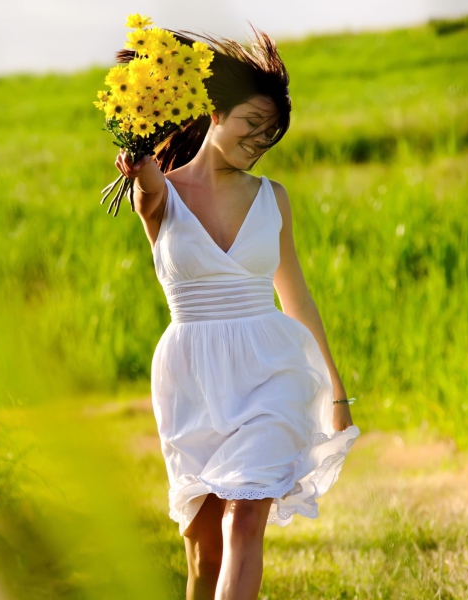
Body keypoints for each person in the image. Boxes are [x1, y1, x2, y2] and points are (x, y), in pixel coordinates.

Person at [113, 26, 361, 600]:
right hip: (191, 378)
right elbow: (142, 171)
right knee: (204, 552)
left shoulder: (273, 198)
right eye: (252, 123)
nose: (260, 140)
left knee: (245, 518)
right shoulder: (159, 195)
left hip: (269, 370)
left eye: (269, 133)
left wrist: (336, 393)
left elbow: (296, 297)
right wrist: (134, 140)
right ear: (214, 112)